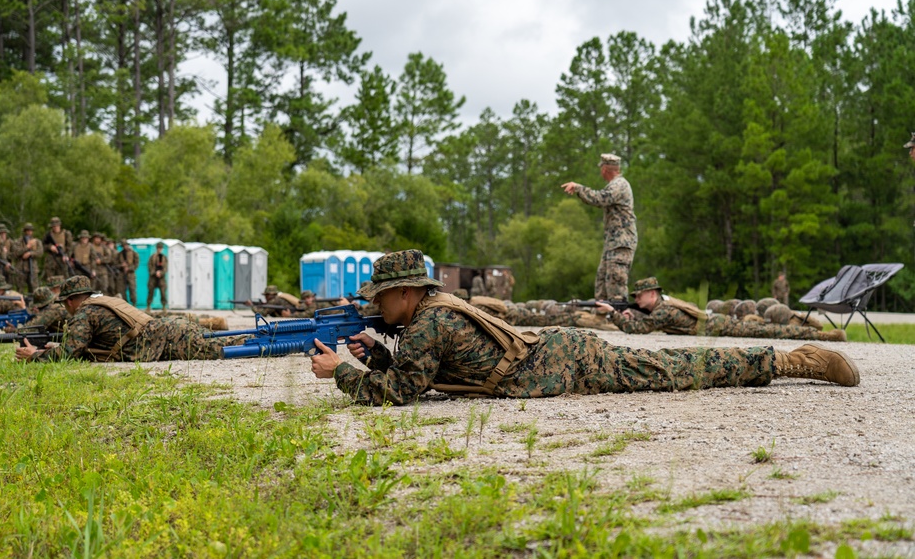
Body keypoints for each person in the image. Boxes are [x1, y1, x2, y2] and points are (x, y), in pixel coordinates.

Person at [307, 250, 859, 406]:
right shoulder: (432, 313)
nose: (376, 308)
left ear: (405, 293)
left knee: (684, 368)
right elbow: (418, 374)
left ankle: (793, 360)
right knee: (678, 370)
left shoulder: (428, 322)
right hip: (559, 355)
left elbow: (401, 394)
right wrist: (377, 353)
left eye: (380, 299)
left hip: (569, 361)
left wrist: (342, 373)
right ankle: (786, 358)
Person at [15, 276, 246, 362]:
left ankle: (272, 340)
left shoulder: (84, 313)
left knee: (224, 348)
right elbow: (83, 348)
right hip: (167, 332)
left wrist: (35, 355)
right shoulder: (102, 302)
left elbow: (70, 353)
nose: (66, 307)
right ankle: (266, 339)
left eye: (66, 302)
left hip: (166, 339)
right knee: (218, 342)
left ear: (73, 300)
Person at [595, 277, 844, 341]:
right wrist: (626, 313)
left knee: (771, 333)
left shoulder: (663, 310)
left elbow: (638, 330)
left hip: (716, 326)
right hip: (714, 323)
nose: (636, 300)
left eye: (638, 296)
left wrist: (612, 314)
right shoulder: (665, 304)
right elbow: (642, 321)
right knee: (764, 330)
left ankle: (822, 334)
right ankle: (799, 324)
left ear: (652, 294)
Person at [561, 153, 637, 302]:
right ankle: (603, 316)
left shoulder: (619, 185)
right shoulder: (615, 184)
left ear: (605, 169)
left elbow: (600, 198)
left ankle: (618, 317)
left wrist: (578, 188)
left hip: (622, 242)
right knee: (602, 283)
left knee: (616, 284)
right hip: (613, 243)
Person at [10, 223, 42, 294]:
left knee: (34, 289)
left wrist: (31, 253)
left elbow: (40, 252)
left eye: (30, 231)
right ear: (24, 231)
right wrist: (26, 247)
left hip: (33, 269)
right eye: (27, 231)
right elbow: (15, 252)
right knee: (19, 289)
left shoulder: (36, 241)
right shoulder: (18, 242)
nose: (29, 233)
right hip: (21, 269)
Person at [42, 217, 74, 281]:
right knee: (50, 280)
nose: (55, 227)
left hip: (62, 259)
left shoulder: (66, 234)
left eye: (57, 226)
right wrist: (50, 247)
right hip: (51, 259)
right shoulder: (48, 235)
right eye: (53, 226)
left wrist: (67, 255)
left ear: (60, 225)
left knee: (64, 280)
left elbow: (70, 247)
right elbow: (42, 246)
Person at [117, 239, 139, 305]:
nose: (125, 247)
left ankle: (134, 304)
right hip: (122, 275)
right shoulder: (119, 254)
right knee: (122, 291)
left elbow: (136, 264)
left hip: (131, 274)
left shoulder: (134, 253)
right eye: (123, 245)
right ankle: (125, 305)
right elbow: (116, 265)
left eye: (126, 245)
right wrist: (121, 265)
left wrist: (129, 268)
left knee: (132, 290)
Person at [147, 242, 168, 309]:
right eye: (158, 248)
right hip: (153, 277)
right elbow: (149, 266)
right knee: (151, 291)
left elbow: (166, 268)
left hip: (161, 277)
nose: (160, 249)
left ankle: (164, 306)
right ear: (157, 248)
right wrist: (155, 272)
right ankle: (148, 306)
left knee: (163, 292)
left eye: (161, 248)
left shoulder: (164, 258)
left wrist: (161, 273)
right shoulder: (152, 257)